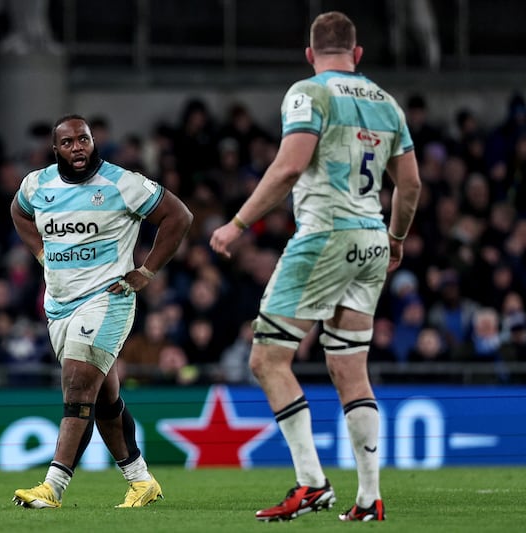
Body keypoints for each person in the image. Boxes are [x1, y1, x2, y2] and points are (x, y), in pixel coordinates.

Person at [209, 12, 421, 523]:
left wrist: (237, 224)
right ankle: (369, 499)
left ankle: (311, 483)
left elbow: (288, 166)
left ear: (310, 54)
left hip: (326, 234)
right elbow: (410, 186)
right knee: (350, 367)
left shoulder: (309, 93)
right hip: (372, 239)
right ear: (358, 54)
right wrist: (395, 240)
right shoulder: (388, 104)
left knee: (266, 359)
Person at [10, 114, 193, 509]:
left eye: (84, 139)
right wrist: (41, 253)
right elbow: (19, 212)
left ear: (94, 142)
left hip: (107, 299)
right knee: (104, 397)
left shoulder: (122, 183)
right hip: (59, 306)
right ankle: (141, 481)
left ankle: (52, 486)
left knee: (77, 384)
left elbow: (179, 216)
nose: (78, 147)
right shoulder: (37, 184)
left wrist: (146, 271)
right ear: (55, 149)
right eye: (69, 142)